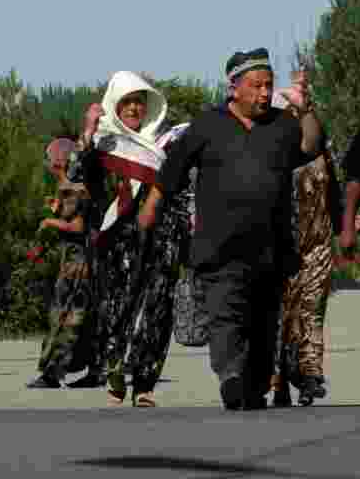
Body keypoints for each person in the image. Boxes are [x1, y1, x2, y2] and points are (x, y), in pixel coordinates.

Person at [138, 49, 323, 411]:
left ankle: (252, 385)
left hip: (270, 250)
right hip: (219, 248)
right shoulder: (207, 124)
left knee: (262, 324)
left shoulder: (283, 124)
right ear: (234, 87)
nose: (265, 93)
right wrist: (149, 209)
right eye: (256, 86)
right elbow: (172, 171)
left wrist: (307, 108)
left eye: (269, 85)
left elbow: (311, 146)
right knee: (226, 317)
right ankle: (230, 377)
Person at [67, 72, 183, 406]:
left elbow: (175, 190)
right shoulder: (103, 144)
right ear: (115, 105)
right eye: (127, 102)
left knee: (157, 308)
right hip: (115, 242)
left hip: (159, 240)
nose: (134, 108)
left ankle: (145, 384)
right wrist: (87, 132)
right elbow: (75, 175)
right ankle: (116, 376)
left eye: (139, 103)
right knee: (114, 310)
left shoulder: (161, 144)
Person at [271, 90, 338, 408]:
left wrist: (344, 228)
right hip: (283, 245)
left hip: (319, 243)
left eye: (301, 112)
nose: (297, 118)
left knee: (312, 309)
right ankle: (281, 378)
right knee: (285, 314)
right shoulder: (274, 153)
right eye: (292, 113)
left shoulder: (323, 148)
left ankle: (312, 375)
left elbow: (335, 189)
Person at [27, 138, 96, 389]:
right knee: (83, 316)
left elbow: (77, 227)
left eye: (50, 157)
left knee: (65, 316)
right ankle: (93, 369)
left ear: (58, 161)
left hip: (76, 264)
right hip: (79, 260)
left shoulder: (72, 189)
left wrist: (50, 222)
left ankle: (52, 373)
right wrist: (57, 211)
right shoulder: (69, 189)